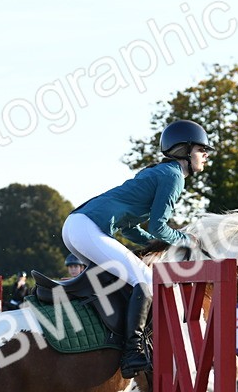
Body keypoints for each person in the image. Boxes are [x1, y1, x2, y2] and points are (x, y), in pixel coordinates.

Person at [61, 119, 213, 378]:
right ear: (185, 151)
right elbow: (158, 226)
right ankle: (133, 352)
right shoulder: (174, 176)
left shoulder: (156, 172)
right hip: (87, 228)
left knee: (120, 280)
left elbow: (131, 228)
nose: (205, 155)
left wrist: (159, 245)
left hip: (75, 227)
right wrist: (186, 241)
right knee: (147, 279)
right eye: (201, 149)